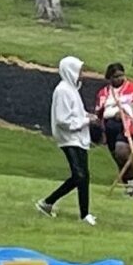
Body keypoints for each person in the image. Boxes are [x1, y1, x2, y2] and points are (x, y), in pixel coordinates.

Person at [38, 57, 95, 225]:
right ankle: (47, 202)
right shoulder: (63, 90)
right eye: (79, 71)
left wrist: (87, 117)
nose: (82, 75)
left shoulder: (73, 90)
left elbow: (76, 112)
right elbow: (63, 120)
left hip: (78, 137)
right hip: (69, 137)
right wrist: (85, 121)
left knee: (83, 176)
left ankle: (84, 213)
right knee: (79, 175)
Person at [96, 63, 133, 193]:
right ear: (109, 78)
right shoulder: (103, 93)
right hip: (109, 129)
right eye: (116, 76)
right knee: (118, 158)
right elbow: (99, 113)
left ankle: (132, 182)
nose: (120, 79)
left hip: (127, 127)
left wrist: (127, 111)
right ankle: (129, 185)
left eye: (121, 75)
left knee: (122, 151)